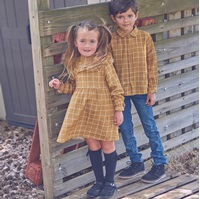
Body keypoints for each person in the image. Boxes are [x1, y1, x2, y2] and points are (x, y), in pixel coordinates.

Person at [49, 21, 124, 199]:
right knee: (93, 145)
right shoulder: (75, 63)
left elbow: (116, 87)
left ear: (98, 43)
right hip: (86, 111)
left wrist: (118, 109)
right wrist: (60, 86)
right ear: (75, 42)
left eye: (92, 41)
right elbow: (74, 87)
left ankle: (109, 181)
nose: (87, 45)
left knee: (107, 145)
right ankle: (98, 181)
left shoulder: (104, 62)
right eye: (82, 41)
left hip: (104, 110)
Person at [109, 0, 168, 183]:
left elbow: (152, 64)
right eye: (121, 16)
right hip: (121, 94)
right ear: (113, 18)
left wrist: (152, 90)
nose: (125, 20)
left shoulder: (144, 38)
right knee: (125, 129)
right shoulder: (110, 40)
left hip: (142, 91)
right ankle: (136, 163)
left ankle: (159, 164)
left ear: (136, 15)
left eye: (129, 16)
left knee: (150, 126)